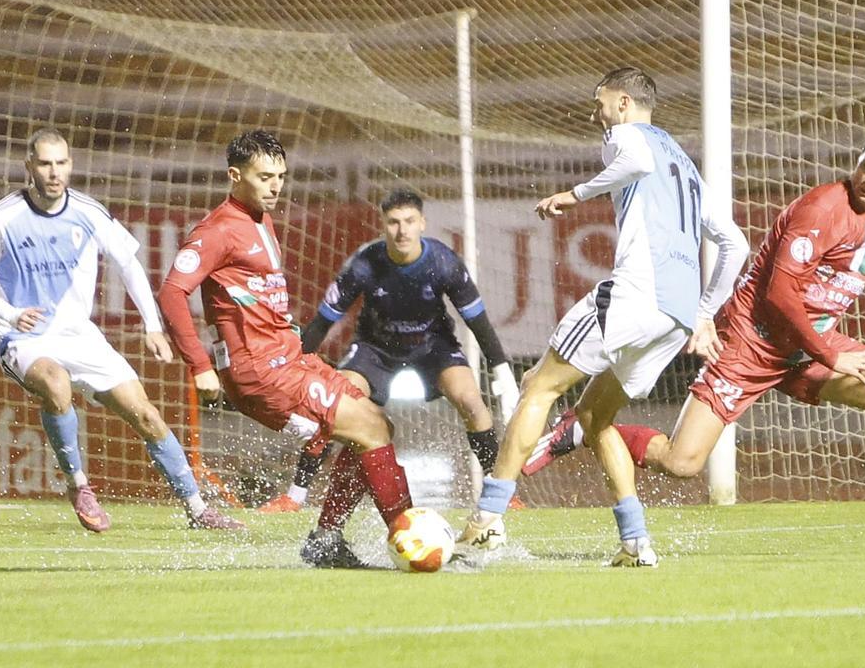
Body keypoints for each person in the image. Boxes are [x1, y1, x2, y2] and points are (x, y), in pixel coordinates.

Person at [602, 129, 865, 553]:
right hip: (752, 344)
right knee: (681, 463)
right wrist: (830, 355)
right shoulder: (823, 208)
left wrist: (826, 348)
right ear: (857, 160)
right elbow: (780, 295)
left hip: (804, 350)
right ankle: (589, 426)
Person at [456, 67, 748, 566]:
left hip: (634, 296)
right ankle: (636, 541)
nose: (596, 114)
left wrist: (576, 194)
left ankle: (486, 520)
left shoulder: (626, 137)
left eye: (601, 103)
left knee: (540, 389)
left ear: (624, 104)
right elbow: (736, 244)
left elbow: (631, 159)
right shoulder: (685, 166)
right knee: (594, 418)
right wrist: (702, 314)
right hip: (673, 319)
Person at [0, 127, 242, 532]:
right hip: (23, 336)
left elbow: (128, 263)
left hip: (81, 335)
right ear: (29, 167)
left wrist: (151, 325)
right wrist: (8, 312)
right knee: (56, 384)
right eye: (45, 163)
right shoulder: (3, 217)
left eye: (61, 163)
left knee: (145, 414)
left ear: (70, 165)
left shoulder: (89, 212)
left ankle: (198, 509)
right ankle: (79, 486)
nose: (54, 172)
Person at [157, 129, 415, 568]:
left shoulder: (260, 218)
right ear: (235, 176)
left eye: (281, 176)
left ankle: (327, 540)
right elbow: (171, 292)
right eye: (264, 177)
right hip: (261, 372)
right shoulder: (218, 230)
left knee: (379, 425)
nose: (276, 186)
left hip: (288, 359)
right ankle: (410, 538)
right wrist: (199, 364)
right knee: (369, 430)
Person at [257, 188, 520, 513]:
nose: (402, 230)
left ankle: (500, 493)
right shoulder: (364, 263)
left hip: (432, 346)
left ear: (422, 222)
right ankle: (294, 496)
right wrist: (296, 365)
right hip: (374, 348)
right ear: (383, 224)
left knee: (472, 402)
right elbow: (324, 321)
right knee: (332, 407)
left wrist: (502, 370)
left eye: (409, 221)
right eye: (394, 222)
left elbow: (478, 322)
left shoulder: (444, 262)